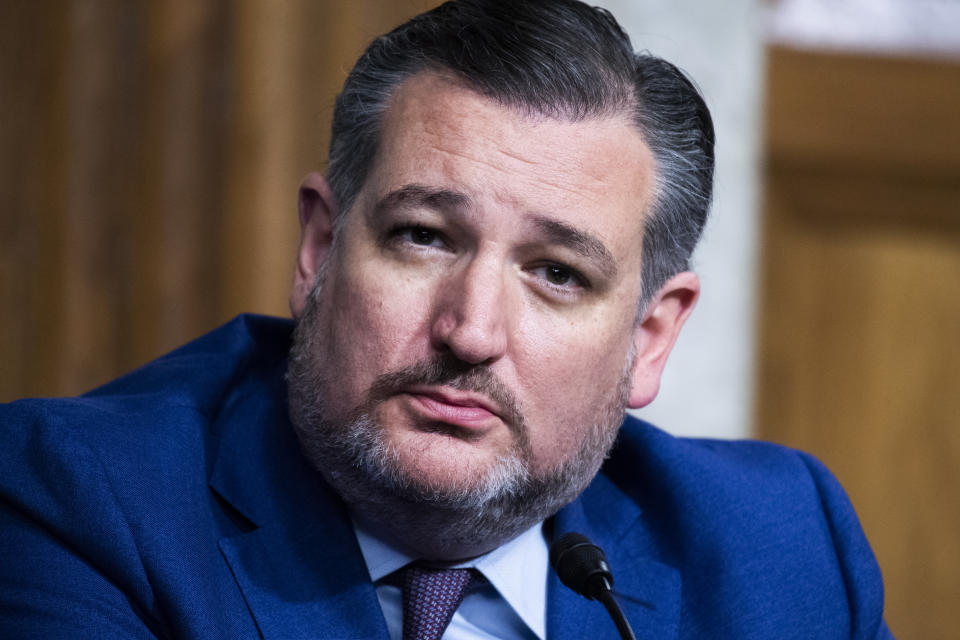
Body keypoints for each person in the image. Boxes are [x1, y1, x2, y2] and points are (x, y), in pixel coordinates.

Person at [0, 1, 891, 638]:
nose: (470, 332)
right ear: (320, 248)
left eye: (556, 273)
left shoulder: (784, 554)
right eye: (424, 237)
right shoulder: (78, 504)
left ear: (649, 337)